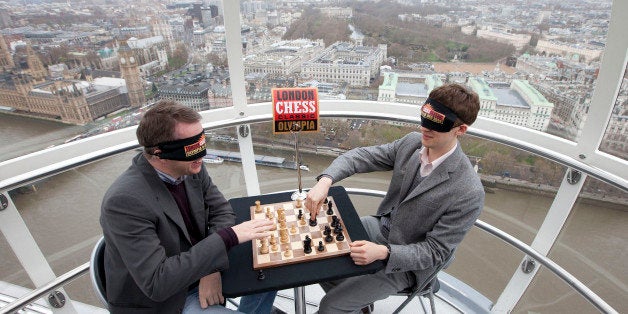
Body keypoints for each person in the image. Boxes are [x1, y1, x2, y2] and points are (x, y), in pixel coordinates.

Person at [305, 83, 485, 313]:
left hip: (408, 265)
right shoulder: (412, 143)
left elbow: (436, 251)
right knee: (318, 257)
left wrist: (383, 253)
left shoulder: (469, 191)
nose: (424, 129)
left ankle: (348, 302)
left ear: (460, 130)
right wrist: (326, 180)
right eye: (424, 119)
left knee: (332, 305)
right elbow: (362, 156)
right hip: (381, 228)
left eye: (436, 126)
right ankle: (357, 303)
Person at [100, 100, 277, 314]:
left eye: (202, 141)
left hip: (199, 267)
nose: (202, 154)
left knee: (272, 264)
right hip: (169, 300)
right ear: (160, 153)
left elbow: (222, 211)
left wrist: (210, 269)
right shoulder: (124, 202)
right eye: (192, 147)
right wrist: (225, 239)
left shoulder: (191, 168)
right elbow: (158, 282)